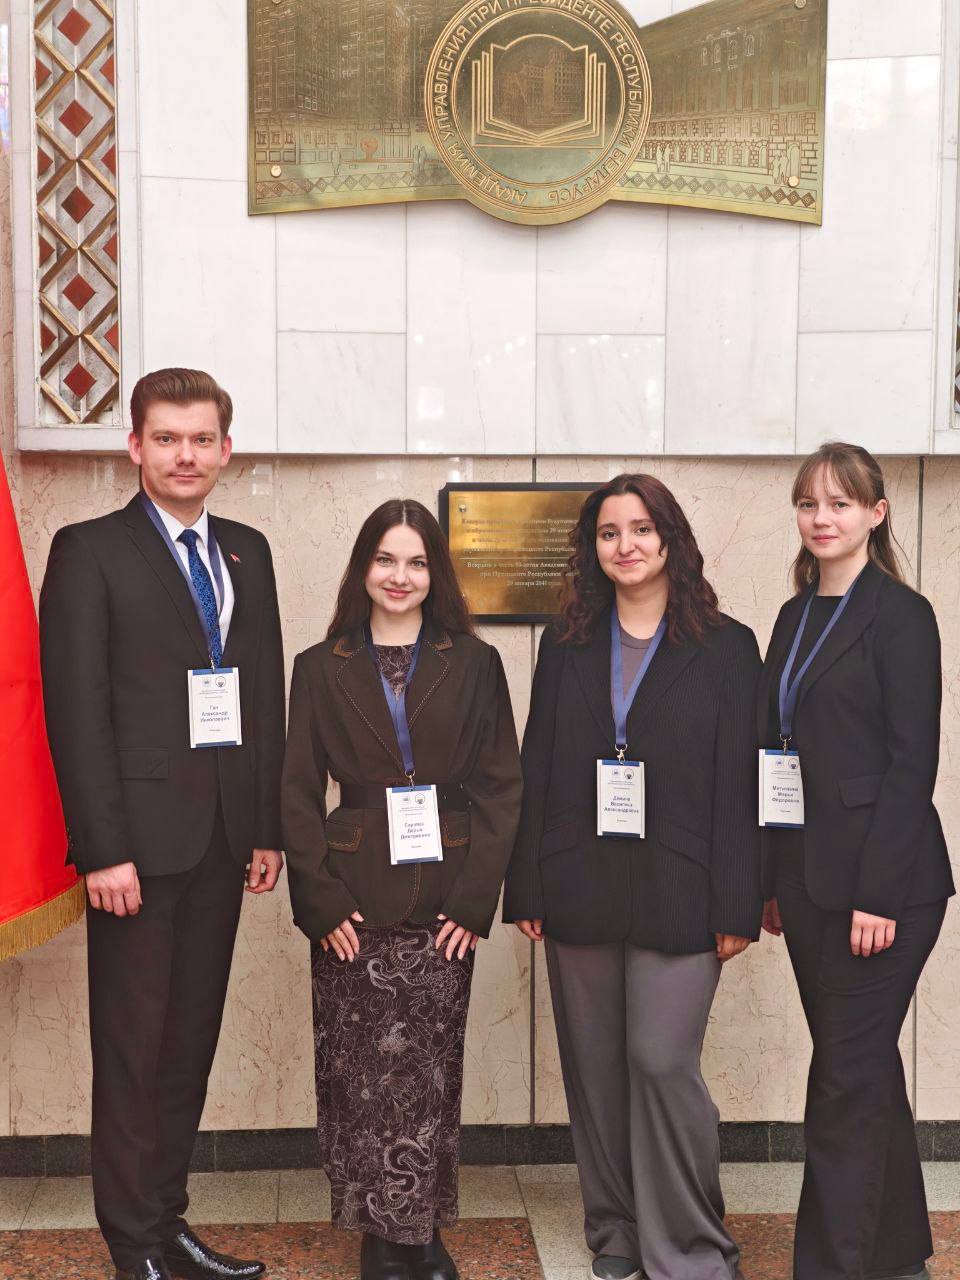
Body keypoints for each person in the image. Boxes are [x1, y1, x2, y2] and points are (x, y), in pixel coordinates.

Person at [40, 369, 286, 1280]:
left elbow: (263, 694)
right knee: (133, 1053)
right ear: (135, 446)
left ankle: (168, 1223)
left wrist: (266, 825)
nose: (187, 455)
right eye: (168, 438)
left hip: (223, 840)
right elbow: (76, 711)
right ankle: (130, 1243)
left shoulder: (248, 552)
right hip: (135, 853)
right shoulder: (89, 550)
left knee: (187, 1047)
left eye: (202, 439)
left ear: (227, 449)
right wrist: (103, 849)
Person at [503, 473, 762, 1280]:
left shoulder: (728, 647)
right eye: (610, 532)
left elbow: (741, 782)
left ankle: (691, 1245)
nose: (627, 545)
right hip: (577, 881)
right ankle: (616, 1231)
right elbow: (539, 763)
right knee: (595, 1070)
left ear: (671, 539)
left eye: (643, 529)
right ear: (593, 548)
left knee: (659, 1059)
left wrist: (738, 903)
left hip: (683, 887)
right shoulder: (567, 643)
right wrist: (527, 884)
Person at [281, 499, 522, 1280]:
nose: (400, 576)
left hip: (446, 901)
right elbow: (295, 792)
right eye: (386, 559)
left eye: (416, 562)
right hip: (352, 903)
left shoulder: (475, 663)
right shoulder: (319, 666)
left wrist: (476, 902)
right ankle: (380, 1236)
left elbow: (501, 787)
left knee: (427, 1075)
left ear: (434, 574)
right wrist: (318, 899)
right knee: (360, 1077)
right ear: (363, 568)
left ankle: (421, 1230)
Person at [758, 443, 954, 1280]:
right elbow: (778, 757)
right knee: (863, 1069)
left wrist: (877, 894)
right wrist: (771, 881)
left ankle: (832, 1267)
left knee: (841, 1080)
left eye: (840, 503)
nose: (822, 518)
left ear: (876, 513)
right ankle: (897, 1253)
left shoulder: (902, 615)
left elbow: (913, 765)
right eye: (809, 503)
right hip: (807, 884)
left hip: (888, 889)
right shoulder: (793, 616)